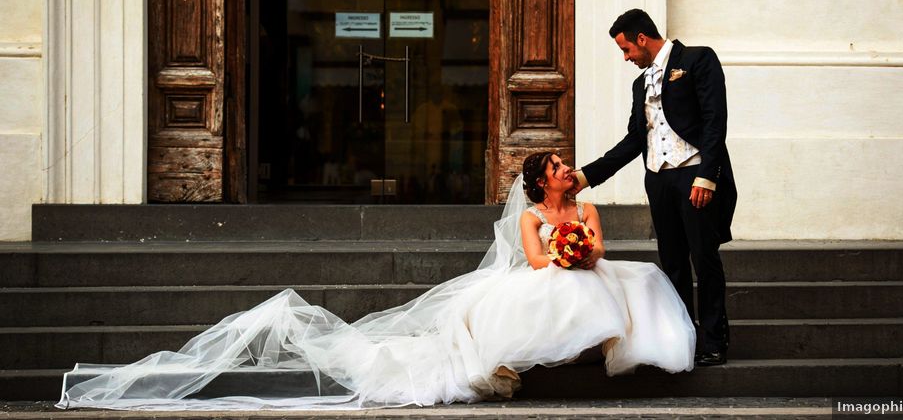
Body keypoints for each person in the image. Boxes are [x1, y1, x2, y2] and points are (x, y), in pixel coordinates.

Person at [56, 151, 694, 411]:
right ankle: (550, 355)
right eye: (557, 166)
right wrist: (565, 256)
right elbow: (532, 260)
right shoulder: (531, 215)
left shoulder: (586, 208)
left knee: (626, 278)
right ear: (540, 182)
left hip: (583, 269)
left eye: (565, 164)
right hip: (553, 273)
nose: (566, 169)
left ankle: (594, 351)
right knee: (565, 285)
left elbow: (602, 248)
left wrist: (584, 250)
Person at [572, 8, 736, 367]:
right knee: (673, 262)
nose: (627, 57)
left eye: (626, 49)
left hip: (694, 176)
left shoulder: (698, 60)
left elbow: (714, 120)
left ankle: (713, 340)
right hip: (658, 180)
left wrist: (708, 175)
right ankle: (682, 337)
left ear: (641, 39)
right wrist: (585, 176)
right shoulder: (640, 84)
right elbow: (635, 140)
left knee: (703, 259)